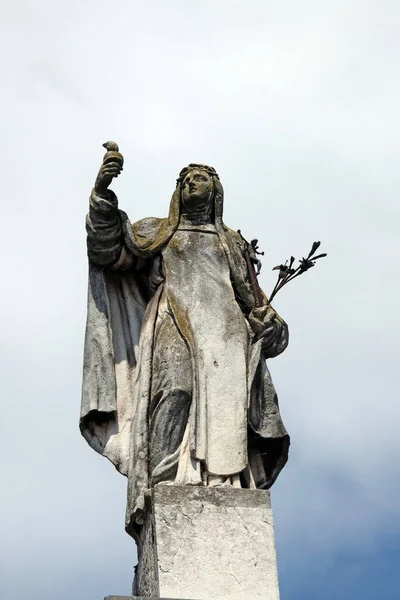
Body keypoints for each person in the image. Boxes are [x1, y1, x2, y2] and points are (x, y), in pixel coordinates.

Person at [80, 148, 290, 541]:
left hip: (225, 335)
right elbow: (107, 249)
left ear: (216, 192)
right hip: (172, 322)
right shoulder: (158, 233)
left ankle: (221, 482)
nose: (194, 182)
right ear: (178, 191)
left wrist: (269, 324)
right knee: (174, 390)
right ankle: (163, 480)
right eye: (187, 178)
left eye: (202, 178)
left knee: (227, 409)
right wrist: (102, 192)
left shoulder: (231, 243)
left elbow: (257, 307)